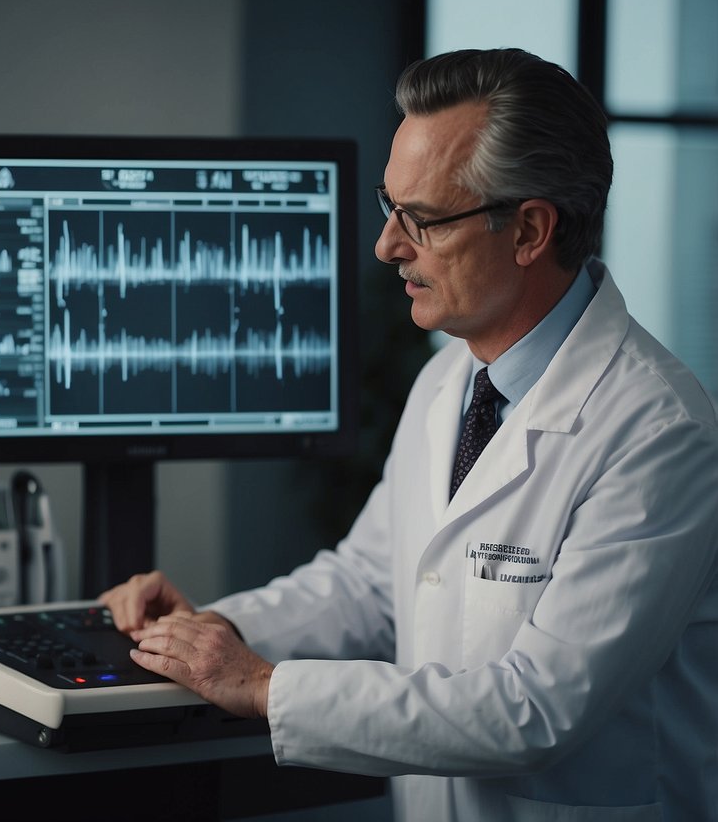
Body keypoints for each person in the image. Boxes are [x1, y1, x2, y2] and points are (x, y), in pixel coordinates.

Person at [100, 48, 718, 821]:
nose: (386, 246)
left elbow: (537, 709)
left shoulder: (657, 433)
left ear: (527, 230)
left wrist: (261, 685)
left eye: (420, 220)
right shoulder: (449, 380)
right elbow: (368, 581)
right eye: (388, 208)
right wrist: (218, 630)